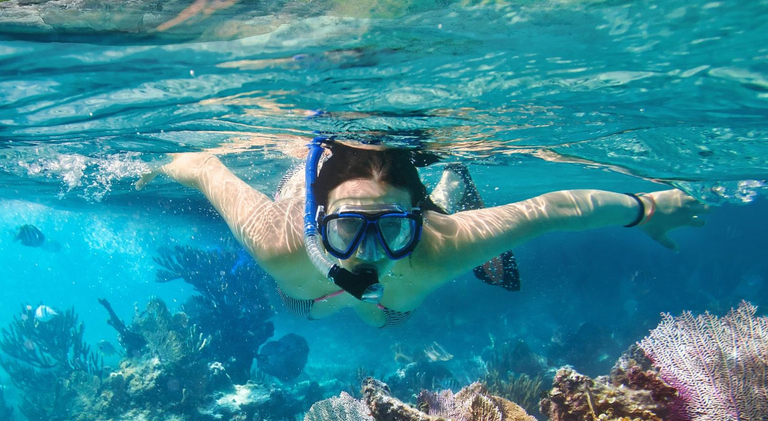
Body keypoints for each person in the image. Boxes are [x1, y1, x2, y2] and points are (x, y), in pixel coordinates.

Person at [137, 138, 708, 328]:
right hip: (309, 287)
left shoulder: (440, 245)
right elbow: (206, 165)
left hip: (420, 234)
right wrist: (158, 166)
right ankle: (445, 195)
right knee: (309, 304)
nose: (367, 253)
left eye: (389, 229)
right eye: (347, 229)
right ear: (317, 224)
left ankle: (448, 190)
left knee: (385, 315)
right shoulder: (279, 243)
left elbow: (553, 208)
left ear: (417, 221)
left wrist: (647, 206)